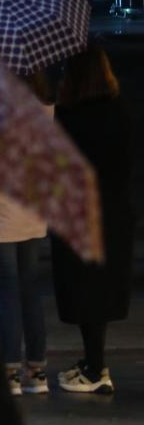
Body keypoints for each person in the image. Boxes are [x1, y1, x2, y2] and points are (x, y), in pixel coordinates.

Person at [51, 45, 134, 395]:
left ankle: (95, 367)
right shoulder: (121, 111)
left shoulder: (69, 115)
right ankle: (94, 363)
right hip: (114, 213)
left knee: (83, 290)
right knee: (101, 289)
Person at [0, 69, 53, 397]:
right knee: (30, 291)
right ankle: (37, 370)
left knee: (8, 293)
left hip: (1, 217)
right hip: (32, 215)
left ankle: (10, 372)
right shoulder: (45, 112)